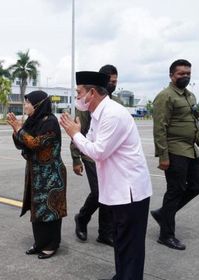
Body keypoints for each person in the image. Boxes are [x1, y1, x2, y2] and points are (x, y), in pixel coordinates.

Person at [60, 71, 152, 280]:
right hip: (118, 190)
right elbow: (89, 144)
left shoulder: (113, 114)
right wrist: (78, 134)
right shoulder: (98, 114)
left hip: (130, 192)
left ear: (91, 93)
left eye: (79, 92)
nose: (77, 98)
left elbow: (98, 151)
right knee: (121, 241)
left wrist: (75, 133)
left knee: (131, 247)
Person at [151, 59, 199, 250]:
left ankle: (164, 213)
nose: (185, 76)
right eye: (181, 74)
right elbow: (159, 128)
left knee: (198, 185)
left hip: (191, 150)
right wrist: (163, 156)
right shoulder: (165, 97)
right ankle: (166, 235)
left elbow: (195, 124)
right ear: (171, 75)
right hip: (175, 150)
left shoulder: (190, 96)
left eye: (188, 73)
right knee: (175, 191)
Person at [6, 90, 67, 260]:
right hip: (35, 173)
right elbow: (22, 144)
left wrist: (19, 129)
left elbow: (35, 144)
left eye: (27, 102)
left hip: (51, 175)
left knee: (51, 210)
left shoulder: (51, 122)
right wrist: (15, 130)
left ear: (38, 104)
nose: (25, 105)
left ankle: (52, 244)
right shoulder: (34, 121)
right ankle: (40, 242)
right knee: (37, 209)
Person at [70, 65, 118, 246]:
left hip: (105, 155)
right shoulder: (87, 102)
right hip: (90, 153)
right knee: (99, 192)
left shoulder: (114, 102)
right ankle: (82, 218)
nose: (113, 84)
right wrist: (76, 159)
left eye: (116, 81)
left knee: (107, 192)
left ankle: (104, 232)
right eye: (111, 81)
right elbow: (77, 131)